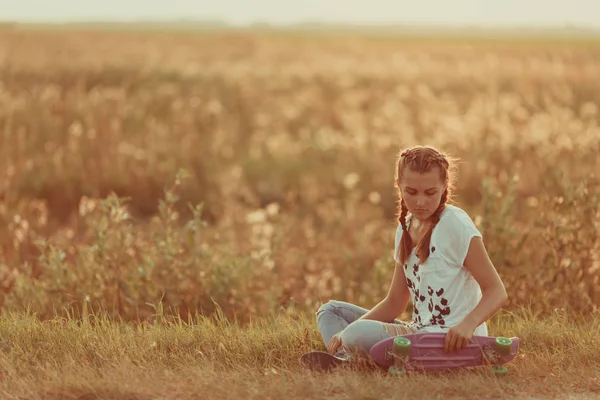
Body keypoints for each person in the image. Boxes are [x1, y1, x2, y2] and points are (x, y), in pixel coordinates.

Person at [315, 145, 508, 360]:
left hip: (451, 339)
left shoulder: (455, 224)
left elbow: (496, 291)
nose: (420, 202)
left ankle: (351, 357)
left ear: (445, 187)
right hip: (418, 332)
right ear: (399, 186)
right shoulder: (405, 228)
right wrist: (345, 333)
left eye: (430, 192)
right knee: (331, 311)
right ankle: (346, 358)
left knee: (356, 333)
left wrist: (468, 325)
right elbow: (395, 302)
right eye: (411, 192)